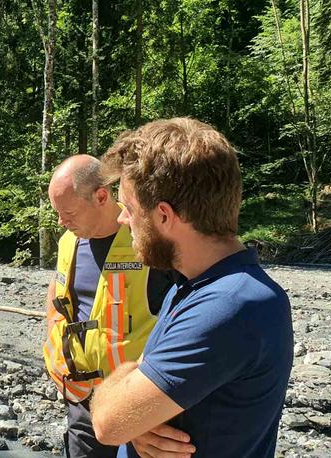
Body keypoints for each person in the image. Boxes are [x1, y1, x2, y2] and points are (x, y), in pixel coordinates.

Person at [90, 118, 294, 458]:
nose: (122, 221)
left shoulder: (229, 305)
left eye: (128, 208)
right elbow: (134, 411)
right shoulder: (192, 285)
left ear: (164, 215)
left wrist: (130, 409)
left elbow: (108, 424)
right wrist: (137, 424)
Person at [43, 155, 185, 458]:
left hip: (140, 403)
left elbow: (185, 318)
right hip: (84, 401)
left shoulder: (148, 240)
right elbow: (57, 299)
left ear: (101, 196)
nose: (61, 221)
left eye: (67, 212)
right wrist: (54, 353)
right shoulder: (69, 240)